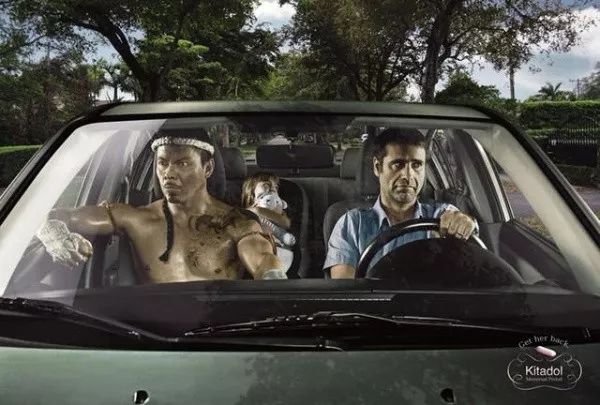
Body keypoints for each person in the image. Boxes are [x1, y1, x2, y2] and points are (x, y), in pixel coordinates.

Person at [36, 127, 286, 282]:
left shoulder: (236, 223)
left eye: (182, 163)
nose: (168, 174)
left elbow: (263, 260)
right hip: (150, 338)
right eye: (163, 163)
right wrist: (53, 233)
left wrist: (271, 277)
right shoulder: (137, 219)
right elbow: (58, 215)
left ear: (208, 168)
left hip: (216, 337)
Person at [323, 127, 478, 279]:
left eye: (416, 165)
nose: (408, 176)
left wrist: (466, 224)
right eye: (398, 164)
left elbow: (472, 265)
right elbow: (346, 289)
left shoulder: (441, 216)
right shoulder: (351, 224)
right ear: (377, 167)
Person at [241, 172, 296, 272]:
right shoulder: (247, 214)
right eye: (261, 196)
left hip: (279, 249)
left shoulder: (283, 213)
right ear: (252, 202)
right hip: (255, 249)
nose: (269, 197)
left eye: (272, 192)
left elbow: (286, 223)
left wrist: (259, 211)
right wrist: (254, 211)